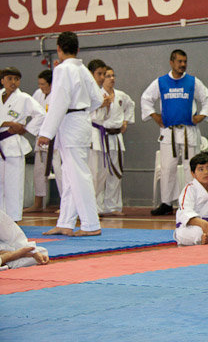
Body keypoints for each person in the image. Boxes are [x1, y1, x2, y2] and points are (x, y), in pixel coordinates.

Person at [37, 31, 105, 237]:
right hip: (79, 121)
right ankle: (65, 222)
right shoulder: (83, 69)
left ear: (58, 49)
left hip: (71, 124)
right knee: (69, 176)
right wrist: (81, 110)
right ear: (77, 49)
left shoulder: (62, 69)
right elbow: (98, 99)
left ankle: (91, 224)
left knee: (78, 175)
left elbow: (59, 101)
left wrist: (46, 132)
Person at [141, 49, 208, 216]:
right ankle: (167, 203)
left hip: (189, 131)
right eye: (179, 61)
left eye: (185, 62)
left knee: (192, 168)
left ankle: (192, 202)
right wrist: (154, 115)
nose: (183, 65)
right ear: (171, 62)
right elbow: (146, 98)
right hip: (169, 132)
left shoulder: (192, 82)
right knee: (167, 168)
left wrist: (202, 116)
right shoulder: (161, 82)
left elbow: (207, 100)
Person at [0, 67, 46, 222]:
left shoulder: (24, 98)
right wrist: (8, 123)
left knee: (14, 184)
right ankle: (1, 220)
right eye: (9, 79)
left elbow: (41, 114)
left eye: (16, 79)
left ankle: (13, 219)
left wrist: (25, 129)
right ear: (2, 80)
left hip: (13, 144)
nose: (13, 82)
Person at [96, 66, 135, 216]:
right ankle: (98, 207)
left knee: (116, 172)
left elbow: (131, 105)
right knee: (100, 173)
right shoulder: (97, 95)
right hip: (101, 136)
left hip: (117, 137)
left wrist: (125, 121)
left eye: (113, 76)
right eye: (108, 76)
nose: (112, 79)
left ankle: (113, 206)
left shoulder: (121, 95)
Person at [24, 69, 64, 213]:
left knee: (59, 172)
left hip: (55, 138)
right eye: (39, 84)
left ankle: (65, 204)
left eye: (43, 84)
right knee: (39, 172)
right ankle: (38, 203)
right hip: (40, 136)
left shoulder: (59, 95)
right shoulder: (37, 94)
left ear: (51, 84)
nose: (41, 87)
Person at [86, 59, 112, 215]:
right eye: (99, 74)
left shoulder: (103, 93)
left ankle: (97, 205)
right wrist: (100, 104)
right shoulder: (86, 91)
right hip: (90, 133)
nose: (102, 77)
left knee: (102, 173)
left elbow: (106, 117)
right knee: (92, 173)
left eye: (104, 74)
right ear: (91, 74)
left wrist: (106, 106)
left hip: (101, 134)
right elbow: (82, 111)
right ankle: (88, 207)